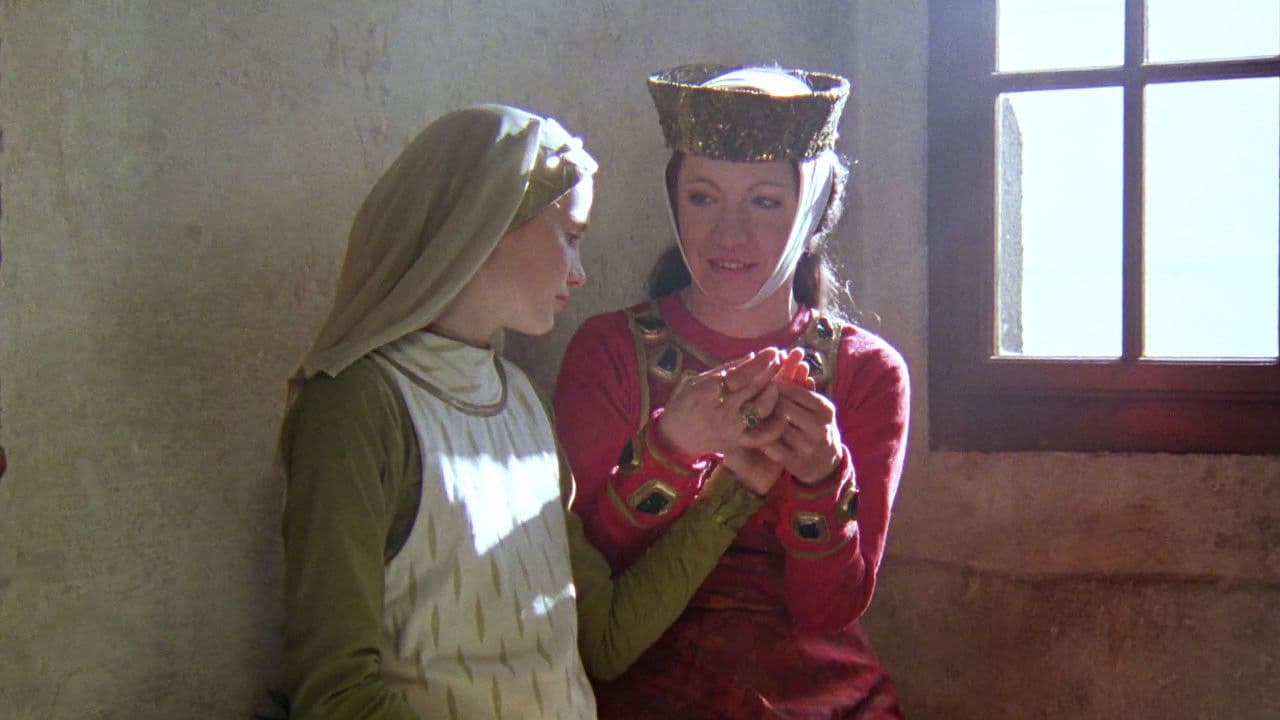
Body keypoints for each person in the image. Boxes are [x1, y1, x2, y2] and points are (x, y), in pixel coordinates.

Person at [278, 104, 772, 719]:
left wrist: (738, 486)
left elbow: (602, 639)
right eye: (570, 236)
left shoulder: (523, 402)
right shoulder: (355, 406)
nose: (580, 273)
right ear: (485, 222)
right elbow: (336, 695)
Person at [554, 64, 911, 719]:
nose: (729, 234)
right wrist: (669, 449)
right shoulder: (608, 351)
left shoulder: (866, 372)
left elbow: (830, 609)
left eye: (765, 202)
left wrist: (820, 476)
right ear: (673, 202)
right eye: (703, 197)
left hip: (817, 695)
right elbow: (581, 578)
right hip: (640, 679)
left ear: (812, 211)